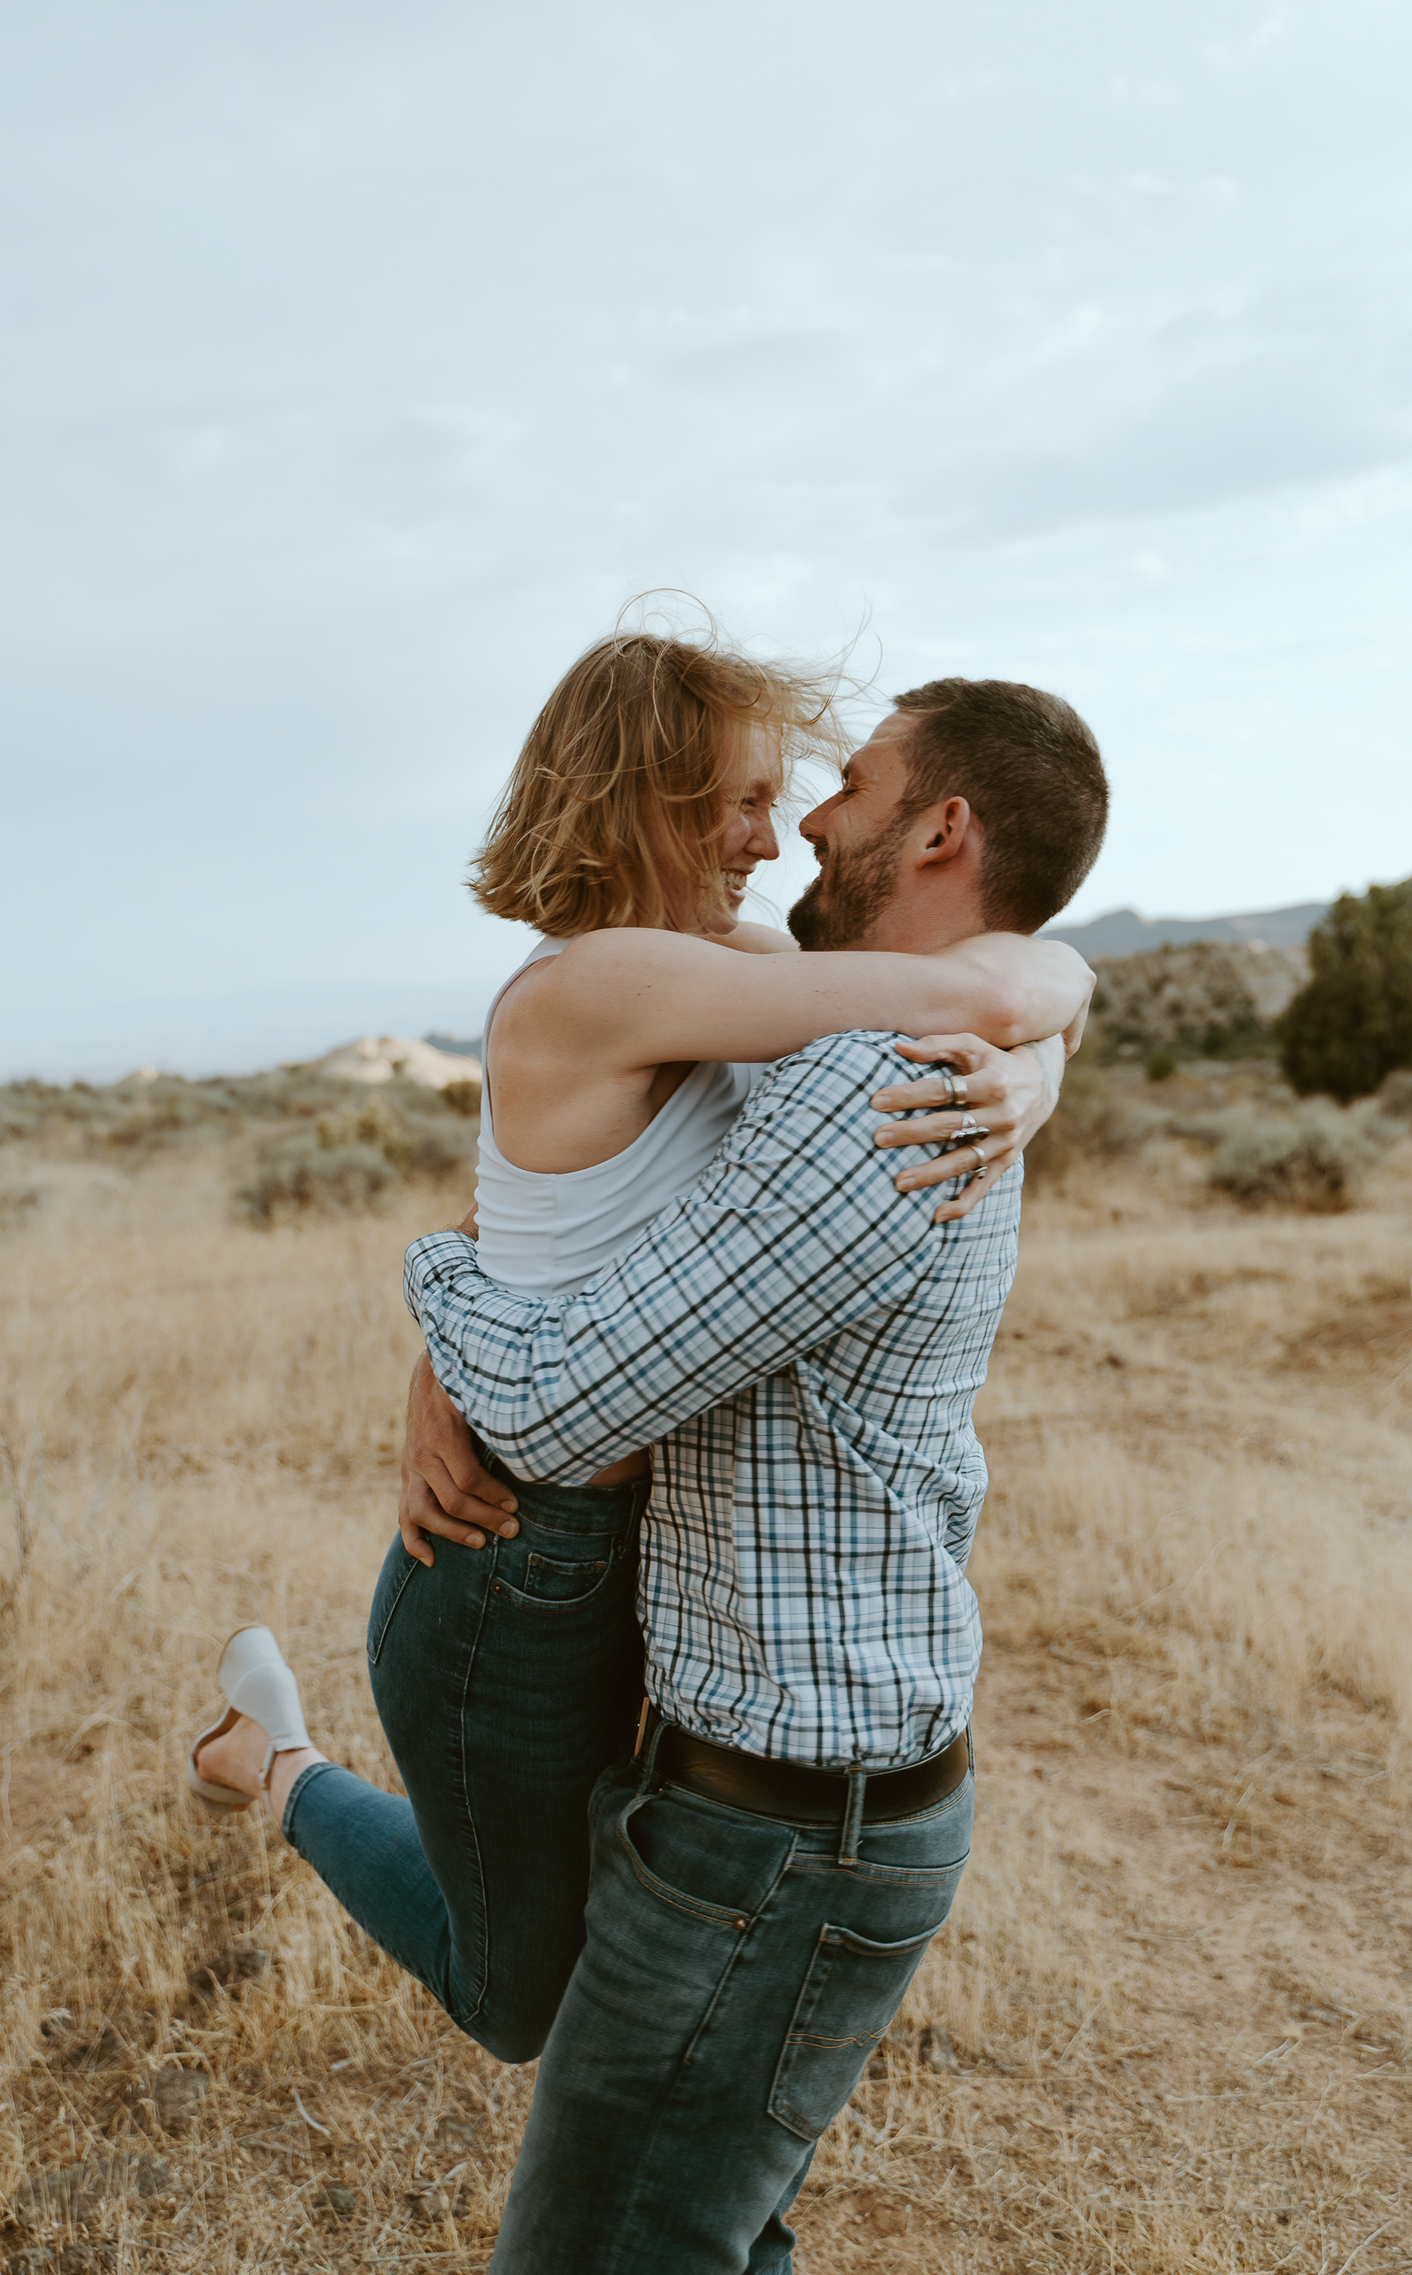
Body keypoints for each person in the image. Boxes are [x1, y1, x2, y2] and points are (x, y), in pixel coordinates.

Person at [187, 626, 1091, 2075]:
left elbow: (1019, 970)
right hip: (509, 1559)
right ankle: (274, 1764)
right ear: (643, 799)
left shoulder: (712, 964)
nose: (769, 835)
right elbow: (966, 994)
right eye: (738, 799)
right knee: (518, 1997)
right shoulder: (603, 982)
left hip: (627, 1556)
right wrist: (1033, 1050)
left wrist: (1037, 1059)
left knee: (594, 1960)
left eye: (784, 793)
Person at [403, 673, 1109, 2271]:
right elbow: (567, 1216)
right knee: (700, 2222)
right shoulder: (864, 1027)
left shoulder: (891, 1089)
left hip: (780, 1831)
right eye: (743, 794)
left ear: (941, 828)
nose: (796, 819)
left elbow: (570, 1414)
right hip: (769, 1780)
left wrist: (432, 1299)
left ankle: (279, 1773)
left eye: (838, 784)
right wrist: (1043, 1026)